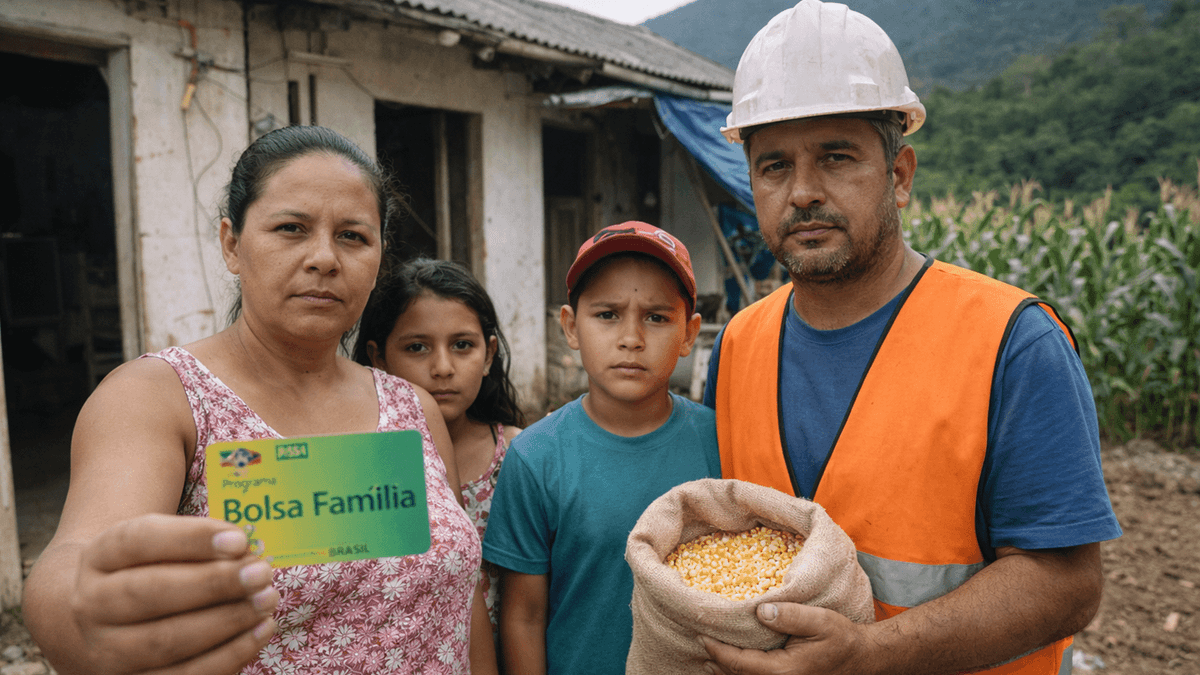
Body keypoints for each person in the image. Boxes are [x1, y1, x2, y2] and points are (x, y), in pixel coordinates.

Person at [698, 2, 1122, 674]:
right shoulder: (738, 346)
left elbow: (1067, 584)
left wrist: (869, 653)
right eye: (774, 165)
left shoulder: (1012, 343)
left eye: (836, 157)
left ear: (899, 175)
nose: (803, 191)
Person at [22, 126, 498, 675]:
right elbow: (77, 560)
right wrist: (82, 613)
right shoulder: (160, 397)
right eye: (291, 228)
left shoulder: (413, 408)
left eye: (353, 237)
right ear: (232, 244)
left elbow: (464, 601)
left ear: (379, 260)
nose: (324, 258)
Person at [481, 222, 722, 675]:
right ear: (571, 327)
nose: (631, 337)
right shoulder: (536, 458)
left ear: (689, 334)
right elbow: (524, 616)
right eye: (607, 314)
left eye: (656, 317)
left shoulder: (721, 442)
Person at [353, 257, 525, 634]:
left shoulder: (518, 457)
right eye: (417, 347)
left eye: (463, 345)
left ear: (489, 354)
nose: (443, 367)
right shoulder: (359, 465)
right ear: (378, 357)